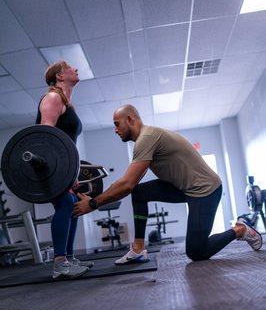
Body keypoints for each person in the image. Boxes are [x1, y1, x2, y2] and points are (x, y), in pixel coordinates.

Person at [73, 104, 262, 264]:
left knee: (196, 252)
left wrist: (92, 203)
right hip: (183, 188)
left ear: (130, 120)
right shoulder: (144, 141)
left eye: (117, 124)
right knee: (140, 193)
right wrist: (96, 200)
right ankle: (138, 249)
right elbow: (130, 184)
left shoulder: (147, 138)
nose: (115, 130)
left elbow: (126, 184)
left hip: (205, 190)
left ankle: (240, 229)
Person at [36, 60, 93, 278]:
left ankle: (68, 259)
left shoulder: (67, 104)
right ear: (60, 76)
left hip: (62, 166)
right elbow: (45, 136)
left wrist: (72, 172)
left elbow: (67, 143)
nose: (76, 69)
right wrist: (60, 171)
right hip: (48, 165)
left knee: (75, 206)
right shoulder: (52, 98)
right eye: (71, 68)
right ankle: (60, 264)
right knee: (67, 203)